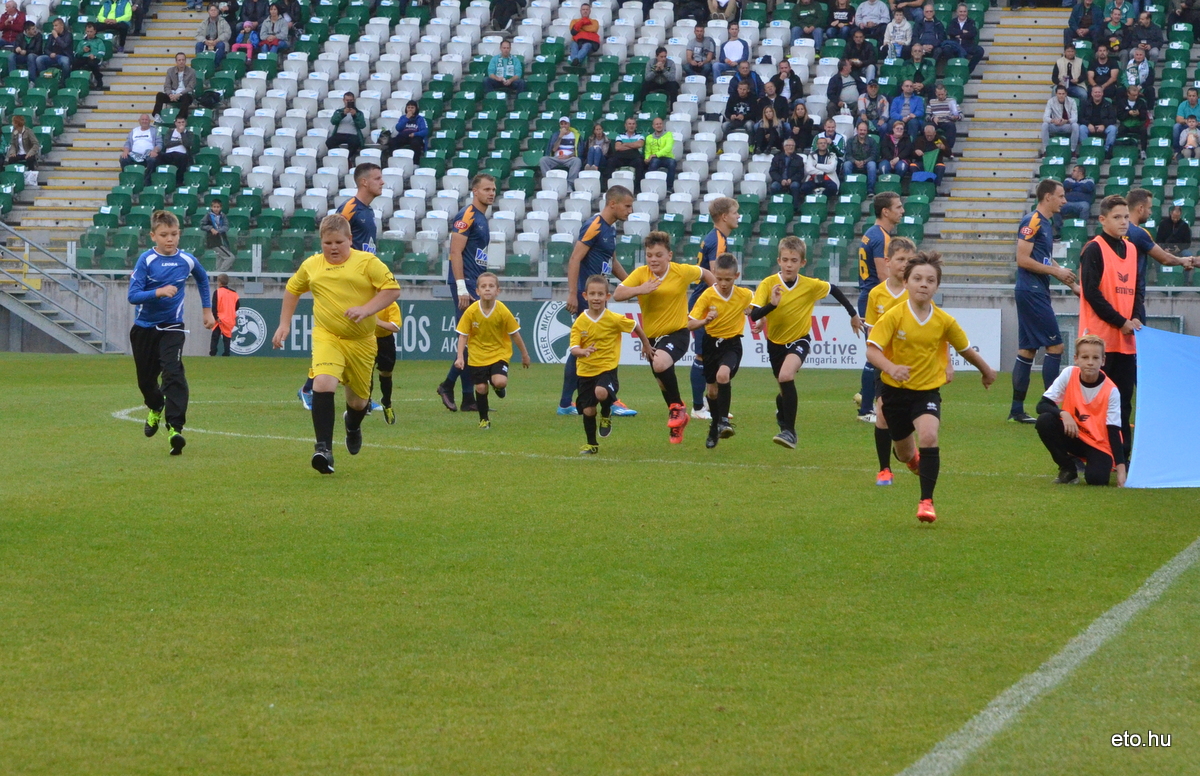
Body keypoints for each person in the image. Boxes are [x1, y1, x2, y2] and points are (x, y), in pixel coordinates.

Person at [867, 252, 997, 523]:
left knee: (928, 436)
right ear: (906, 283)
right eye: (917, 278)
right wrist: (891, 368)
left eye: (930, 280)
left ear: (937, 286)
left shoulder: (944, 320)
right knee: (904, 454)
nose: (923, 284)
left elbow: (965, 349)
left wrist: (986, 371)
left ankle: (927, 501)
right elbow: (872, 350)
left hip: (926, 392)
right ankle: (911, 458)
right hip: (894, 392)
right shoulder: (893, 316)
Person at [272, 214, 400, 473]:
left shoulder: (367, 262)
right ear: (321, 241)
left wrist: (366, 309)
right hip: (327, 336)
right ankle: (323, 450)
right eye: (327, 242)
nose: (333, 248)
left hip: (362, 341)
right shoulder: (311, 265)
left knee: (357, 403)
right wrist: (284, 324)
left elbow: (392, 289)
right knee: (323, 382)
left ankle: (352, 425)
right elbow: (292, 289)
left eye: (339, 242)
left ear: (350, 240)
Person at [750, 236, 863, 449]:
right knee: (783, 388)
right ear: (779, 261)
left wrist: (853, 314)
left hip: (799, 340)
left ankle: (789, 432)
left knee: (786, 375)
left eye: (794, 260)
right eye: (785, 260)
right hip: (774, 343)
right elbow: (755, 314)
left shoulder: (809, 285)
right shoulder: (768, 284)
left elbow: (834, 290)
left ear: (802, 263)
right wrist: (772, 305)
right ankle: (782, 407)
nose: (789, 264)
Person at [613, 231, 717, 444]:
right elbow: (617, 294)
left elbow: (705, 273)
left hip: (677, 333)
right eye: (650, 255)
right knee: (662, 383)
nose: (653, 259)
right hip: (651, 339)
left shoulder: (681, 272)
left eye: (658, 255)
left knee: (660, 363)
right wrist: (641, 289)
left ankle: (678, 409)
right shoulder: (642, 274)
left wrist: (715, 297)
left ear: (669, 255)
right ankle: (679, 419)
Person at [128, 210, 216, 455]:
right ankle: (156, 407)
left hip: (172, 327)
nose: (170, 239)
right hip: (144, 329)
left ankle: (175, 429)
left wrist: (207, 311)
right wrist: (158, 292)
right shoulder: (146, 260)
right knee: (146, 383)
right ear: (153, 236)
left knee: (173, 372)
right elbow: (133, 296)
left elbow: (202, 279)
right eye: (164, 235)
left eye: (174, 234)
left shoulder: (186, 260)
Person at [298, 163, 383, 407]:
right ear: (364, 182)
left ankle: (360, 395)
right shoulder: (349, 208)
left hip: (361, 281)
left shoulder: (368, 211)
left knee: (361, 338)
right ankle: (308, 389)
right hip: (345, 283)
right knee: (338, 338)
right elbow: (331, 234)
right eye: (377, 178)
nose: (382, 182)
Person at [558, 186, 637, 416]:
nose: (630, 211)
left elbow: (612, 263)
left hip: (599, 299)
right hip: (587, 298)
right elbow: (575, 258)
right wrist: (573, 293)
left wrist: (633, 285)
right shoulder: (594, 225)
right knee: (585, 349)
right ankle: (603, 399)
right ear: (613, 204)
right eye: (627, 205)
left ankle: (572, 402)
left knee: (595, 347)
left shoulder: (610, 230)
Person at [1077, 194, 1142, 462]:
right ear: (1102, 219)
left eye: (1126, 216)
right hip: (1099, 342)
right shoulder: (1093, 249)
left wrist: (1136, 317)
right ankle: (1089, 454)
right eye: (1117, 217)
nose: (1123, 222)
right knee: (1094, 402)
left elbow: (1138, 290)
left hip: (1125, 340)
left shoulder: (1133, 249)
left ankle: (1121, 456)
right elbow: (1091, 293)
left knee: (1124, 400)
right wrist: (1121, 321)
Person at [1010, 178, 1077, 424]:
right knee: (1056, 346)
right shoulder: (1033, 221)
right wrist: (1056, 273)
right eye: (1061, 196)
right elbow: (1022, 259)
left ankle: (1017, 410)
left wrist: (1069, 281)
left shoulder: (1046, 223)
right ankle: (1052, 407)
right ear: (1047, 197)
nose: (1065, 200)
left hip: (1034, 289)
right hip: (1031, 291)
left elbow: (1045, 259)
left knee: (1027, 350)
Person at [434, 173, 496, 414]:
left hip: (475, 282)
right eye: (487, 189)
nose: (491, 193)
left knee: (473, 338)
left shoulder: (481, 218)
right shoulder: (468, 214)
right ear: (475, 191)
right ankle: (447, 385)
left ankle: (468, 398)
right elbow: (455, 252)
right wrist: (461, 287)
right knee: (469, 338)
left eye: (493, 189)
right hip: (466, 283)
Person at [571, 274, 651, 454]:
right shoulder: (580, 322)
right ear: (585, 296)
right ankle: (592, 444)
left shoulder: (614, 318)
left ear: (607, 297)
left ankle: (606, 412)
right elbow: (574, 348)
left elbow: (635, 326)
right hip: (585, 371)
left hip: (607, 369)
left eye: (600, 294)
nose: (596, 298)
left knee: (601, 392)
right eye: (592, 294)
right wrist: (582, 352)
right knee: (589, 410)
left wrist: (646, 345)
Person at [1035, 334, 1126, 486]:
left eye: (1095, 358)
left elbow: (1114, 430)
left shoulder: (1111, 391)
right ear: (1076, 359)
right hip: (1074, 434)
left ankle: (1097, 463)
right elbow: (1042, 405)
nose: (1090, 362)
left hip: (1098, 443)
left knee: (1097, 480)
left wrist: (1121, 469)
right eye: (1085, 357)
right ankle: (1068, 469)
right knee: (1045, 420)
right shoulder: (1069, 374)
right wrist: (1063, 413)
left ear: (1103, 361)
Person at [863, 236, 918, 485]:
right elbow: (871, 333)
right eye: (900, 259)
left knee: (910, 414)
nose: (905, 264)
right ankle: (884, 469)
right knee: (882, 412)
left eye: (910, 260)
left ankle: (909, 453)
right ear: (888, 261)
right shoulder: (877, 294)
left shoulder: (916, 291)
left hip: (914, 363)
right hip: (885, 365)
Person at [687, 252, 753, 448]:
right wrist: (704, 321)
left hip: (731, 344)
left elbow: (757, 307)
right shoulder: (707, 295)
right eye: (720, 278)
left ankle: (723, 420)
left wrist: (759, 318)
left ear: (736, 276)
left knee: (723, 375)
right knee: (712, 391)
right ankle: (714, 426)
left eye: (728, 279)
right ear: (714, 273)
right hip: (710, 344)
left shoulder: (744, 295)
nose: (723, 283)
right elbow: (690, 324)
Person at [453, 272, 531, 429]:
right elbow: (462, 335)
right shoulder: (471, 311)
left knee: (500, 381)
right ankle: (484, 419)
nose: (487, 289)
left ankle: (499, 387)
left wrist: (525, 354)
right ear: (477, 291)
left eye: (491, 286)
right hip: (477, 356)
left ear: (498, 291)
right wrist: (460, 357)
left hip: (499, 353)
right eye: (483, 286)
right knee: (481, 388)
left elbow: (514, 333)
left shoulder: (502, 310)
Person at [688, 197, 740, 418]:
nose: (738, 216)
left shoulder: (716, 237)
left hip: (708, 301)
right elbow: (715, 277)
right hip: (705, 303)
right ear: (724, 216)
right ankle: (698, 407)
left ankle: (713, 403)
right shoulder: (718, 240)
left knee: (715, 356)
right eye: (736, 212)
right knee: (703, 355)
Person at [855, 192, 904, 423]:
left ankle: (867, 397)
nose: (902, 211)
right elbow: (885, 275)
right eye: (898, 207)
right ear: (886, 211)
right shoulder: (882, 238)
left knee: (878, 352)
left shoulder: (870, 233)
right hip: (877, 299)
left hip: (869, 295)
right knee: (875, 354)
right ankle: (866, 409)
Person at [372, 301, 401, 424]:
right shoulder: (364, 299)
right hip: (367, 339)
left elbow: (395, 326)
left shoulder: (390, 304)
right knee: (365, 370)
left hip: (385, 341)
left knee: (386, 372)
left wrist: (377, 322)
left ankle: (386, 402)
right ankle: (365, 402)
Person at [603, 116, 645, 190]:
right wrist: (633, 145)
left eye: (633, 124)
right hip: (621, 158)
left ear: (636, 126)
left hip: (634, 158)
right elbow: (618, 147)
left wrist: (624, 144)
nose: (631, 126)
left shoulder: (640, 135)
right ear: (626, 125)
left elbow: (639, 144)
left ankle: (637, 188)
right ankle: (608, 187)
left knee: (640, 163)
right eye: (629, 124)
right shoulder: (620, 135)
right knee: (610, 161)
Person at [152, 53, 196, 121]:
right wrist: (170, 94)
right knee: (159, 95)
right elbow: (167, 85)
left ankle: (180, 118)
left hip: (183, 94)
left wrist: (179, 94)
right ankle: (157, 115)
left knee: (187, 97)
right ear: (176, 61)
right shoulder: (170, 71)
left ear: (185, 61)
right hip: (172, 94)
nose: (181, 62)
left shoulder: (191, 71)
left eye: (183, 60)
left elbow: (190, 87)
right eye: (179, 60)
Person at [541, 116, 583, 184]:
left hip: (569, 158)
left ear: (569, 124)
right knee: (543, 160)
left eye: (565, 124)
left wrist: (568, 156)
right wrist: (560, 137)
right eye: (562, 124)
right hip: (556, 158)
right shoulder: (555, 135)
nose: (563, 126)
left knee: (577, 161)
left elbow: (577, 151)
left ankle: (570, 183)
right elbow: (554, 149)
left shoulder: (575, 135)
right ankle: (549, 182)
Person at [119, 114, 161, 178]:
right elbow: (128, 143)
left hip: (148, 154)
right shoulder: (134, 131)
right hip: (134, 155)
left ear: (149, 121)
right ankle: (127, 179)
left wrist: (155, 151)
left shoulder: (154, 130)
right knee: (123, 159)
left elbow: (159, 143)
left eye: (146, 120)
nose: (144, 121)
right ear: (139, 121)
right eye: (143, 119)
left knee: (152, 160)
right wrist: (126, 151)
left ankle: (147, 180)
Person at [843, 121, 880, 195]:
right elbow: (848, 155)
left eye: (864, 130)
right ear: (857, 130)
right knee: (846, 164)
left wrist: (864, 161)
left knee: (872, 165)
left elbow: (874, 155)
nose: (862, 132)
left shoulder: (872, 141)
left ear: (867, 131)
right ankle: (849, 187)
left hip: (867, 163)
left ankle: (870, 190)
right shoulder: (850, 141)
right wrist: (855, 161)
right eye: (861, 130)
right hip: (853, 163)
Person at [1079, 85, 1117, 153]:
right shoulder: (1085, 104)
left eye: (1099, 92)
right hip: (1089, 126)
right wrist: (1088, 124)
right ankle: (1086, 149)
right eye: (1095, 92)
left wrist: (1104, 125)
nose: (1097, 94)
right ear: (1092, 94)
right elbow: (1080, 118)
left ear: (1102, 93)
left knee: (1113, 129)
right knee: (1082, 128)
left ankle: (1107, 150)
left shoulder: (1108, 104)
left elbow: (1113, 119)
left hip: (1103, 127)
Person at [387, 100, 428, 164]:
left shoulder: (420, 119)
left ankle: (415, 162)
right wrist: (406, 118)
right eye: (408, 107)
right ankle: (394, 160)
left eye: (412, 108)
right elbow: (398, 128)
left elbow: (425, 131)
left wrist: (415, 134)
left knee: (415, 143)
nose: (410, 109)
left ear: (416, 109)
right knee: (392, 142)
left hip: (415, 136)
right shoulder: (403, 117)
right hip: (403, 136)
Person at [1041, 85, 1079, 153]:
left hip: (1066, 125)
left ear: (1066, 94)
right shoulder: (1050, 101)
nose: (1061, 95)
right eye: (1059, 94)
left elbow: (1075, 118)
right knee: (1044, 125)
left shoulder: (1072, 101)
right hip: (1055, 125)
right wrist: (1053, 120)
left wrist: (1067, 121)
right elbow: (1045, 117)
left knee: (1075, 126)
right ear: (1056, 94)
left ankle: (1072, 150)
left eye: (1063, 94)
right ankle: (1046, 150)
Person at [926, 82, 962, 151]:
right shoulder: (931, 101)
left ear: (945, 92)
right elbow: (927, 116)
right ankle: (933, 147)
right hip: (935, 121)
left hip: (947, 121)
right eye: (938, 94)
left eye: (942, 94)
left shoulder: (951, 101)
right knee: (927, 127)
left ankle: (948, 148)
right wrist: (932, 118)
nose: (940, 96)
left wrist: (957, 117)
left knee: (951, 126)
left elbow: (961, 115)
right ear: (936, 94)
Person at [1058, 164, 1096, 230]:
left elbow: (1088, 188)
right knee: (1055, 208)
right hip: (1067, 203)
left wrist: (1073, 187)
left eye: (1074, 171)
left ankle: (1080, 230)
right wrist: (1079, 186)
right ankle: (1060, 230)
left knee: (1085, 207)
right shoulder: (1068, 179)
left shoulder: (1089, 180)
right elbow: (1065, 186)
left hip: (1082, 203)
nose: (1072, 172)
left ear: (1080, 173)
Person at [947, 3, 983, 72]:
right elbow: (950, 31)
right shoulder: (953, 21)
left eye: (964, 11)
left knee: (980, 50)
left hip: (967, 45)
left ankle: (967, 71)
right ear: (957, 12)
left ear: (967, 12)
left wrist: (959, 35)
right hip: (955, 44)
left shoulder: (971, 22)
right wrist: (962, 31)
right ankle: (954, 69)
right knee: (946, 49)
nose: (962, 13)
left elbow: (972, 33)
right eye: (960, 11)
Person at [210, 273, 239, 356]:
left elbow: (214, 306)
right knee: (227, 336)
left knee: (215, 336)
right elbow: (237, 306)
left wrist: (216, 317)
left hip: (219, 317)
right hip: (229, 317)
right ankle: (226, 352)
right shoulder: (234, 293)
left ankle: (213, 352)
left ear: (219, 282)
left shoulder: (217, 292)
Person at [35, 18, 71, 85]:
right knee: (39, 59)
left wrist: (56, 37)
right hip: (52, 56)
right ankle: (45, 78)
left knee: (65, 61)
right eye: (53, 26)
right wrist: (50, 53)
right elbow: (46, 49)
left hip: (64, 56)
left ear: (62, 26)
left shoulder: (68, 35)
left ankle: (63, 81)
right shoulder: (51, 36)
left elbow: (64, 46)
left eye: (56, 25)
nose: (54, 28)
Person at [160, 115, 194, 186]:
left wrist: (182, 133)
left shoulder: (189, 133)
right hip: (169, 154)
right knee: (158, 156)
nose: (181, 124)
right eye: (179, 122)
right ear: (175, 123)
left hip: (182, 154)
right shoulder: (170, 132)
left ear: (185, 123)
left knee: (184, 158)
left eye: (183, 122)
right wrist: (180, 142)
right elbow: (166, 143)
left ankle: (179, 181)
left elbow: (188, 144)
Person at [769, 138, 805, 204]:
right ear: (784, 147)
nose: (791, 147)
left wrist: (791, 179)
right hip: (779, 180)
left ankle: (795, 207)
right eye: (789, 145)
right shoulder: (777, 158)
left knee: (795, 186)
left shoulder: (799, 159)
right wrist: (781, 180)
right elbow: (773, 171)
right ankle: (774, 205)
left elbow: (800, 173)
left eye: (792, 145)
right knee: (774, 186)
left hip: (793, 180)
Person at [73, 22, 108, 89]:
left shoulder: (99, 41)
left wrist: (95, 56)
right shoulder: (82, 42)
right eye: (87, 31)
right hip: (84, 57)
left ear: (95, 31)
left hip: (94, 58)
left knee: (92, 63)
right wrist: (83, 50)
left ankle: (99, 80)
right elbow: (77, 54)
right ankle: (76, 83)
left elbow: (102, 52)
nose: (89, 33)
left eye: (91, 32)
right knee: (74, 64)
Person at [200, 197, 233, 269]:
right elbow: (202, 225)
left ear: (221, 208)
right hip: (214, 240)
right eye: (214, 207)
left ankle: (217, 275)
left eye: (218, 207)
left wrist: (219, 230)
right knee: (230, 257)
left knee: (220, 258)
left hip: (222, 239)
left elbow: (226, 226)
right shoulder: (208, 215)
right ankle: (220, 274)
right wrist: (211, 228)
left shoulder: (223, 216)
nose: (216, 209)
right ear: (211, 207)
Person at [644, 116, 675, 190]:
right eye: (657, 124)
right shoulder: (649, 138)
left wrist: (656, 155)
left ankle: (668, 188)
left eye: (660, 124)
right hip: (655, 159)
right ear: (653, 126)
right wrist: (646, 158)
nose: (659, 125)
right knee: (654, 162)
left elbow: (668, 148)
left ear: (663, 125)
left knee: (672, 163)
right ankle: (650, 185)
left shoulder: (668, 134)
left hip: (667, 157)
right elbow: (648, 151)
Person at [1116, 83, 1149, 150]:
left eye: (1136, 95)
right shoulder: (1122, 102)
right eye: (1133, 95)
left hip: (1137, 124)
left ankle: (1143, 150)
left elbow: (1144, 116)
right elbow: (1119, 116)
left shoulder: (1141, 102)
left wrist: (1139, 114)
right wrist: (1128, 113)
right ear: (1128, 94)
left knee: (1143, 130)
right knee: (1120, 130)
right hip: (1125, 124)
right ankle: (1121, 149)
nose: (1135, 97)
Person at [568, 2, 600, 68]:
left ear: (590, 11)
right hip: (577, 42)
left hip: (589, 43)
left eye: (587, 9)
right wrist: (583, 22)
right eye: (583, 9)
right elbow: (573, 31)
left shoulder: (594, 21)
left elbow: (593, 29)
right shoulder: (574, 21)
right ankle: (576, 62)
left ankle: (575, 62)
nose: (585, 11)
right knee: (573, 44)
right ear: (580, 11)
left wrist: (580, 26)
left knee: (586, 45)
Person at [1171, 87, 1200, 151]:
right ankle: (1177, 150)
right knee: (1176, 127)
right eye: (1189, 96)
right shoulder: (1183, 104)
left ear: (1197, 96)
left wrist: (1197, 123)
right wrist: (1189, 122)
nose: (1191, 98)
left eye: (1193, 96)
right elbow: (1178, 119)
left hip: (1198, 125)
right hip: (1187, 125)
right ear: (1187, 97)